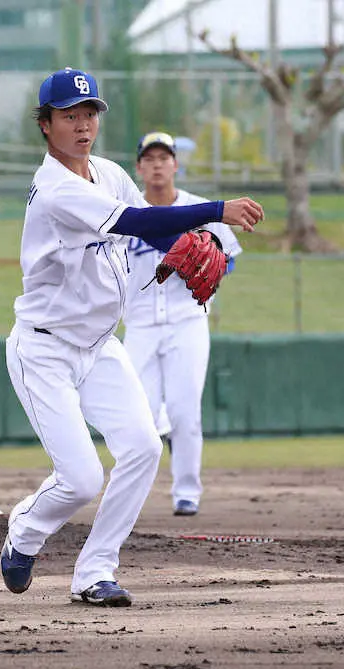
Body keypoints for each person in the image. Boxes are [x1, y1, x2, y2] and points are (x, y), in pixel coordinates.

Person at [0, 68, 264, 607]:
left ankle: (95, 571)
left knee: (144, 447)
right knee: (79, 479)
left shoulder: (108, 171)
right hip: (44, 348)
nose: (82, 124)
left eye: (89, 113)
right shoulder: (55, 190)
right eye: (68, 116)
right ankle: (24, 532)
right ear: (45, 125)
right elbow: (132, 222)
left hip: (99, 346)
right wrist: (217, 212)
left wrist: (190, 237)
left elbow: (151, 220)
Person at [122, 132, 244, 518]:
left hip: (187, 320)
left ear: (175, 164)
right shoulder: (124, 210)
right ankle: (134, 491)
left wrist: (215, 265)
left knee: (185, 410)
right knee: (138, 412)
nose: (157, 164)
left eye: (164, 157)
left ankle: (186, 492)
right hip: (139, 323)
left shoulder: (199, 208)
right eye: (150, 158)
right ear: (139, 167)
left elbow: (228, 258)